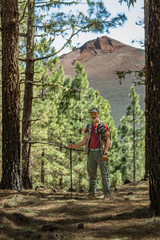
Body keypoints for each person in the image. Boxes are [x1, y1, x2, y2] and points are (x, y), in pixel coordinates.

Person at [69, 107, 111, 199]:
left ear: (98, 114)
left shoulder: (104, 126)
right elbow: (85, 140)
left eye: (95, 113)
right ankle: (92, 194)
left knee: (105, 174)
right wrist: (74, 146)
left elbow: (108, 140)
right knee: (92, 174)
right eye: (91, 114)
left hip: (101, 151)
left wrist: (105, 153)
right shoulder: (89, 127)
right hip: (91, 152)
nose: (93, 115)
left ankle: (107, 194)